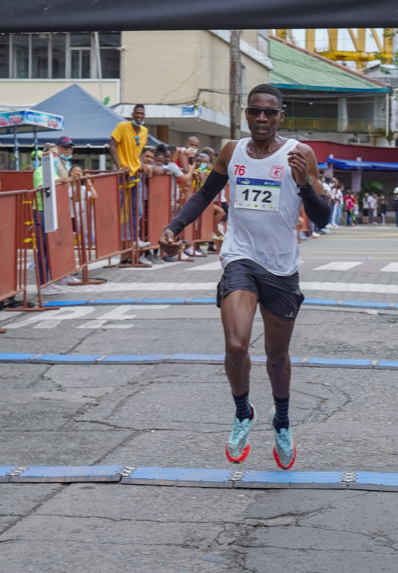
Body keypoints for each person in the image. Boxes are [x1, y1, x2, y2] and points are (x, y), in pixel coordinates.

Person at [158, 83, 331, 470]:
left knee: (276, 355)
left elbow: (323, 218)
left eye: (270, 112)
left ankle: (281, 420)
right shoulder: (232, 151)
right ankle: (242, 413)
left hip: (282, 266)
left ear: (281, 116)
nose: (262, 119)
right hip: (240, 257)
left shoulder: (299, 153)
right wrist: (175, 227)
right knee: (236, 345)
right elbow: (205, 194)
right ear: (247, 115)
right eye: (255, 111)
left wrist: (303, 186)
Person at [109, 105, 149, 251]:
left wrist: (141, 165)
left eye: (142, 113)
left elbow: (138, 152)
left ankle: (133, 239)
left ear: (144, 115)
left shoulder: (144, 131)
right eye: (137, 113)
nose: (139, 115)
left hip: (135, 175)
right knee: (121, 210)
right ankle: (119, 243)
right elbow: (112, 146)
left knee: (137, 210)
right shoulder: (122, 126)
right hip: (122, 175)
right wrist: (120, 167)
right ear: (132, 114)